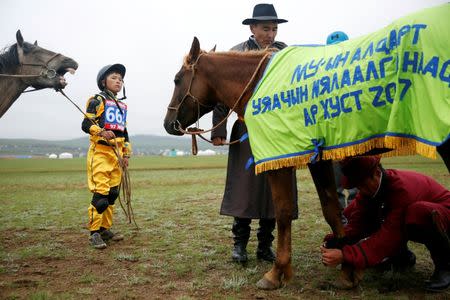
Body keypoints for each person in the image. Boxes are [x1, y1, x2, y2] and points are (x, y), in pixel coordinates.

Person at [211, 3, 298, 263]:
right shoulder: (236, 54)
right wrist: (218, 130)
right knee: (244, 187)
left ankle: (265, 246)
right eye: (265, 29)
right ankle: (239, 245)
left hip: (279, 131)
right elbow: (220, 96)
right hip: (246, 127)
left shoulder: (285, 54)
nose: (270, 34)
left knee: (276, 188)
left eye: (274, 29)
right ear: (252, 28)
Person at [320, 156, 450, 292]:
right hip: (410, 220)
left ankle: (445, 264)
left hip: (444, 216)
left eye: (363, 184)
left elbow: (389, 237)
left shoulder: (402, 190)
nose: (362, 190)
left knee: (416, 212)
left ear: (376, 173)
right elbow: (357, 223)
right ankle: (401, 257)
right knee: (369, 211)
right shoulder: (370, 191)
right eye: (358, 186)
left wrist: (345, 255)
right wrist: (334, 241)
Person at [82, 64, 131, 249]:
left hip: (116, 155)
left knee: (112, 194)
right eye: (114, 78)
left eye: (120, 79)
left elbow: (124, 132)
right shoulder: (97, 100)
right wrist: (101, 131)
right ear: (103, 82)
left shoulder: (121, 106)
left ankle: (105, 229)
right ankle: (93, 233)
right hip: (100, 153)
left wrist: (126, 154)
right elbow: (86, 124)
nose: (118, 81)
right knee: (101, 196)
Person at [325, 31, 358, 212]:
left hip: (356, 139)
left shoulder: (358, 72)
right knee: (334, 188)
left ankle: (358, 220)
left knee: (358, 187)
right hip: (333, 141)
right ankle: (342, 224)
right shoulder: (321, 77)